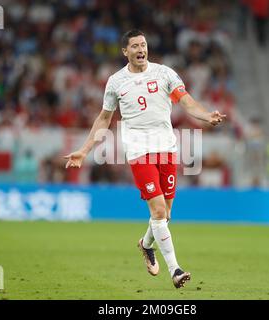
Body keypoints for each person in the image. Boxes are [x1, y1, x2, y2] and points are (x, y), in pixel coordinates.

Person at [63, 30, 225, 288]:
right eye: (135, 46)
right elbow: (104, 118)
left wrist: (206, 116)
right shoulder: (116, 82)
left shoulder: (165, 74)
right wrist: (84, 150)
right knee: (158, 210)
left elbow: (187, 102)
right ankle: (175, 270)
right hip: (139, 151)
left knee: (166, 214)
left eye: (144, 45)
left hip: (167, 148)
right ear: (125, 51)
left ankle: (146, 243)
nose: (141, 49)